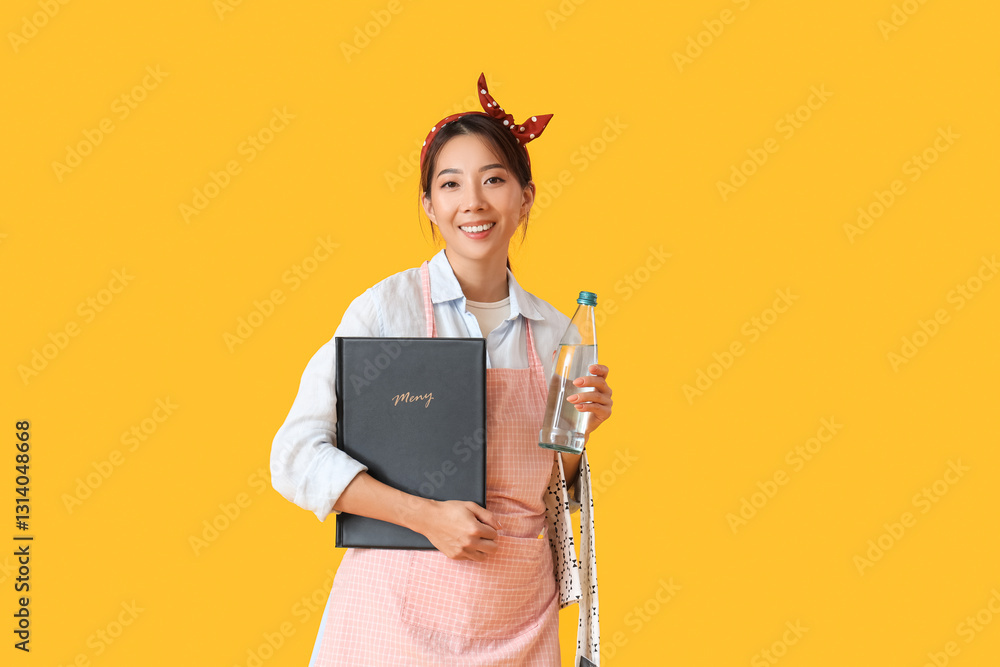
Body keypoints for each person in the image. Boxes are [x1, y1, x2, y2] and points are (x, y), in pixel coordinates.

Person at [270, 73, 613, 666]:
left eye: (494, 180)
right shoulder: (386, 310)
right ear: (430, 204)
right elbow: (294, 456)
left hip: (519, 623)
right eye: (451, 184)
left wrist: (580, 434)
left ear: (525, 197)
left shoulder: (557, 333)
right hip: (395, 623)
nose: (473, 203)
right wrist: (425, 516)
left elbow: (552, 489)